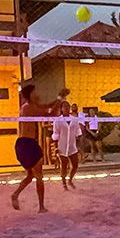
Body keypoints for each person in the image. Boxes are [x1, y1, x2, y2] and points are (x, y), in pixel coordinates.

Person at [12, 82, 50, 211]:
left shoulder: (27, 107)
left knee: (31, 175)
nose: (38, 94)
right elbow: (48, 112)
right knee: (39, 175)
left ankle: (15, 194)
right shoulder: (28, 108)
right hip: (27, 144)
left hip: (23, 144)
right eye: (35, 93)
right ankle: (41, 207)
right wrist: (59, 99)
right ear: (30, 95)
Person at [52, 101, 82, 189]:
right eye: (64, 107)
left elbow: (78, 132)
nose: (66, 108)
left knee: (75, 165)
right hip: (62, 146)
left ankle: (70, 180)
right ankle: (64, 182)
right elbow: (55, 135)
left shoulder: (74, 119)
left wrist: (79, 146)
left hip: (72, 146)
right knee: (64, 166)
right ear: (61, 109)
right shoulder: (57, 121)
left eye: (68, 106)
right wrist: (56, 147)